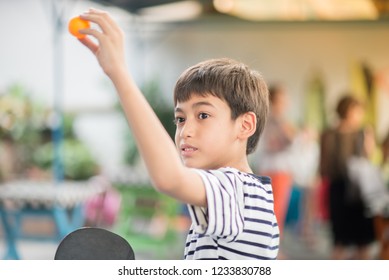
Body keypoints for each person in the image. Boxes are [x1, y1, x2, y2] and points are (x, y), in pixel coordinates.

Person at [76, 8, 279, 260]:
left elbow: (170, 179)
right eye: (180, 119)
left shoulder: (237, 189)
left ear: (245, 125)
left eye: (203, 115)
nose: (185, 131)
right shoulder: (238, 192)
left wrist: (119, 73)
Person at [319, 94, 376, 259]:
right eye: (357, 111)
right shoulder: (330, 133)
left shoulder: (362, 132)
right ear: (348, 111)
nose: (360, 115)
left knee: (362, 242)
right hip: (340, 189)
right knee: (341, 241)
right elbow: (325, 166)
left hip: (358, 192)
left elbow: (368, 157)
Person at [256, 84, 296, 239]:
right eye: (281, 99)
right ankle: (273, 250)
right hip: (274, 169)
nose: (285, 103)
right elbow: (272, 144)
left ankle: (273, 247)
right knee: (274, 211)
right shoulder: (271, 120)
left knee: (276, 211)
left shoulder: (279, 120)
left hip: (279, 169)